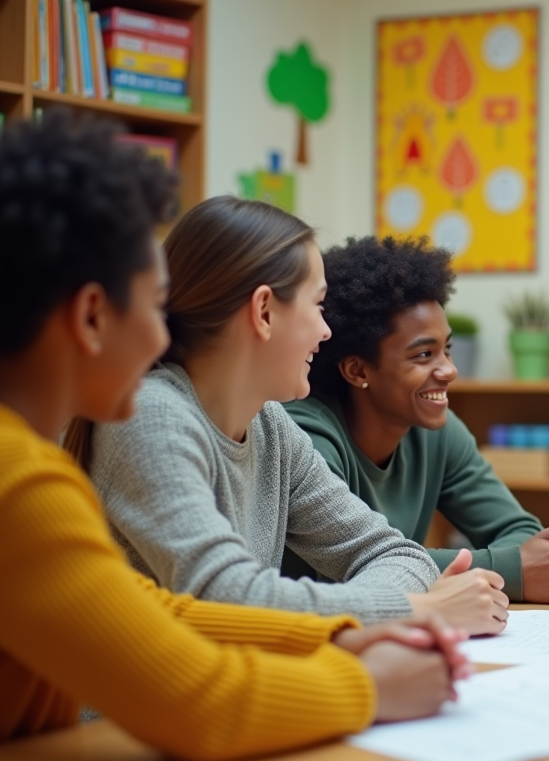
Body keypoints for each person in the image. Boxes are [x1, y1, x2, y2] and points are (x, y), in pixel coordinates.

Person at [0, 109, 468, 761]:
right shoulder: (22, 484)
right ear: (92, 317)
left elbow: (163, 611)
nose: (164, 336)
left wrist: (346, 632)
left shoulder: (28, 467)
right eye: (153, 305)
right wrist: (369, 678)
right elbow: (201, 700)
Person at [76, 196, 508, 635]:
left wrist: (395, 610)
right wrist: (416, 610)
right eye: (318, 305)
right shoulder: (152, 417)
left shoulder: (271, 425)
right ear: (264, 311)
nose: (326, 330)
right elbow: (227, 598)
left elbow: (395, 554)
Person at [283, 236, 549, 603]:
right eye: (424, 355)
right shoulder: (304, 437)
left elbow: (517, 532)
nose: (449, 370)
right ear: (358, 370)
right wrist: (510, 570)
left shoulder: (437, 431)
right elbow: (346, 573)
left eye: (447, 349)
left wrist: (523, 562)